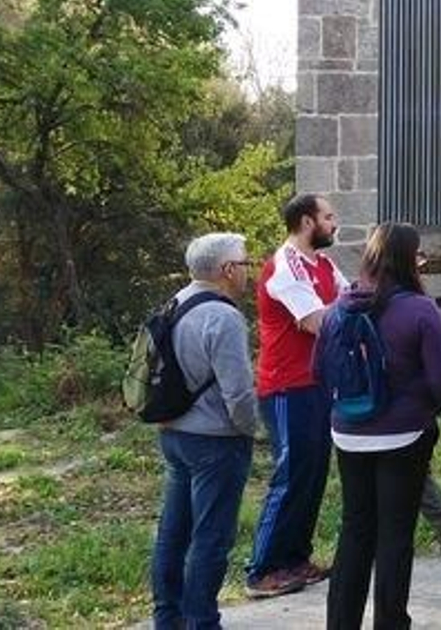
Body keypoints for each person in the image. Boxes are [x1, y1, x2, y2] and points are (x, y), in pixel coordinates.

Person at [319, 223, 441, 629]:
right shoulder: (419, 309)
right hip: (404, 434)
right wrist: (425, 409)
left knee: (355, 529)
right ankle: (391, 623)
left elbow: (318, 370)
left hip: (348, 432)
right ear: (409, 259)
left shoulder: (339, 308)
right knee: (395, 535)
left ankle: (340, 623)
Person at [150, 232, 258, 629]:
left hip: (173, 432)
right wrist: (251, 431)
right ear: (227, 270)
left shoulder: (174, 303)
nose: (249, 271)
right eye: (245, 264)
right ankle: (202, 621)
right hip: (216, 440)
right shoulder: (224, 316)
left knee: (173, 533)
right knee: (211, 538)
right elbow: (238, 393)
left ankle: (168, 618)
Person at [247, 193, 347, 598]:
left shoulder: (323, 264)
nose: (334, 223)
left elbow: (349, 297)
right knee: (290, 476)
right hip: (287, 386)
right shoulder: (285, 266)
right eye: (328, 217)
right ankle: (262, 568)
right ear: (307, 223)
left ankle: (295, 559)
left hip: (317, 383)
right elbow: (315, 321)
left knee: (313, 472)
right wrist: (350, 312)